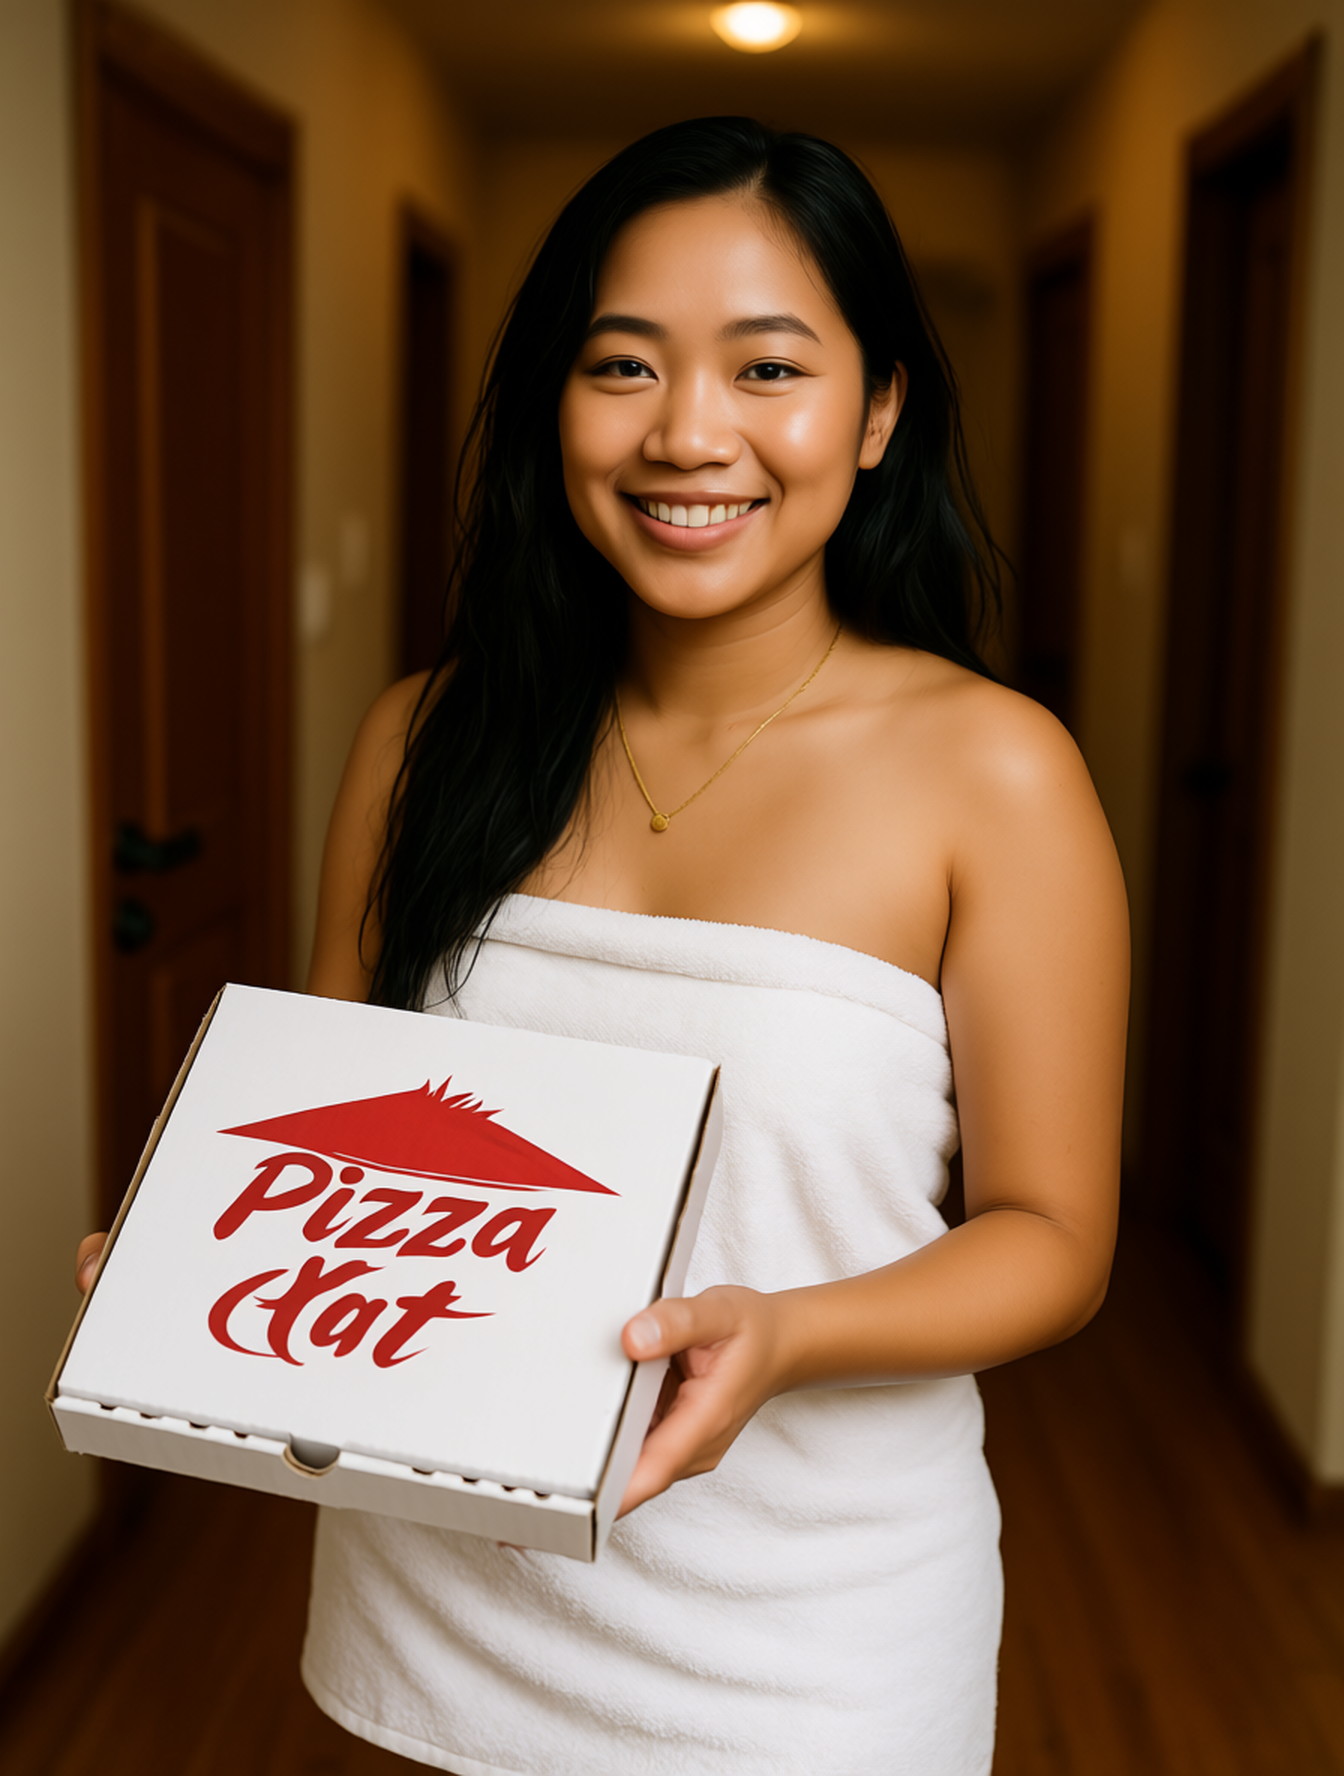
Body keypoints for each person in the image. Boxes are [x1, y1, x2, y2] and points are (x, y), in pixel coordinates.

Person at [80, 116, 1128, 1775]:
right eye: (623, 366)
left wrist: (787, 1335)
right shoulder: (423, 738)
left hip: (807, 1650)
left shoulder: (994, 771)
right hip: (428, 1622)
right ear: (554, 407)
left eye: (768, 369)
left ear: (879, 414)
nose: (689, 434)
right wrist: (197, 1241)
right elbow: (319, 1092)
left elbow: (1053, 1235)